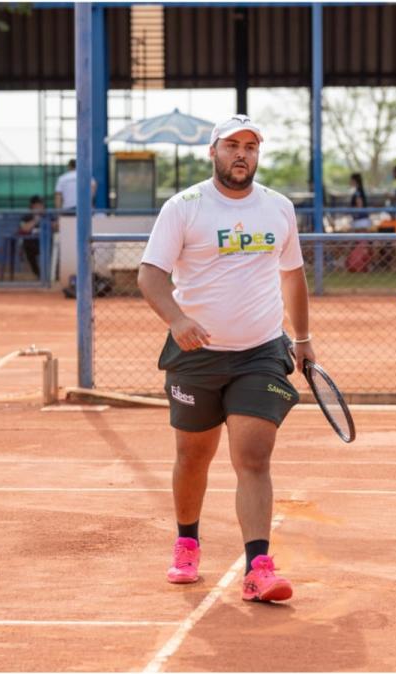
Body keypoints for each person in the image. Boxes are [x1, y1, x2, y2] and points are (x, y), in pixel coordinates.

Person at [136, 114, 314, 603]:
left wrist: (303, 337)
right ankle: (187, 542)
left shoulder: (278, 208)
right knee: (194, 456)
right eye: (232, 145)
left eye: (251, 146)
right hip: (196, 357)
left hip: (260, 352)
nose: (242, 154)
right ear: (213, 151)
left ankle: (258, 566)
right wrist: (176, 320)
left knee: (253, 456)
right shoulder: (185, 207)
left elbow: (293, 275)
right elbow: (150, 276)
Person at [17, 195, 46, 278]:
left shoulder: (48, 215)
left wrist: (50, 223)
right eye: (38, 205)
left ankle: (50, 274)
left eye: (41, 204)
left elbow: (56, 226)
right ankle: (38, 274)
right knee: (28, 247)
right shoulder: (26, 217)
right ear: (32, 206)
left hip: (47, 244)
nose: (40, 207)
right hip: (31, 244)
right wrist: (35, 220)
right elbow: (24, 228)